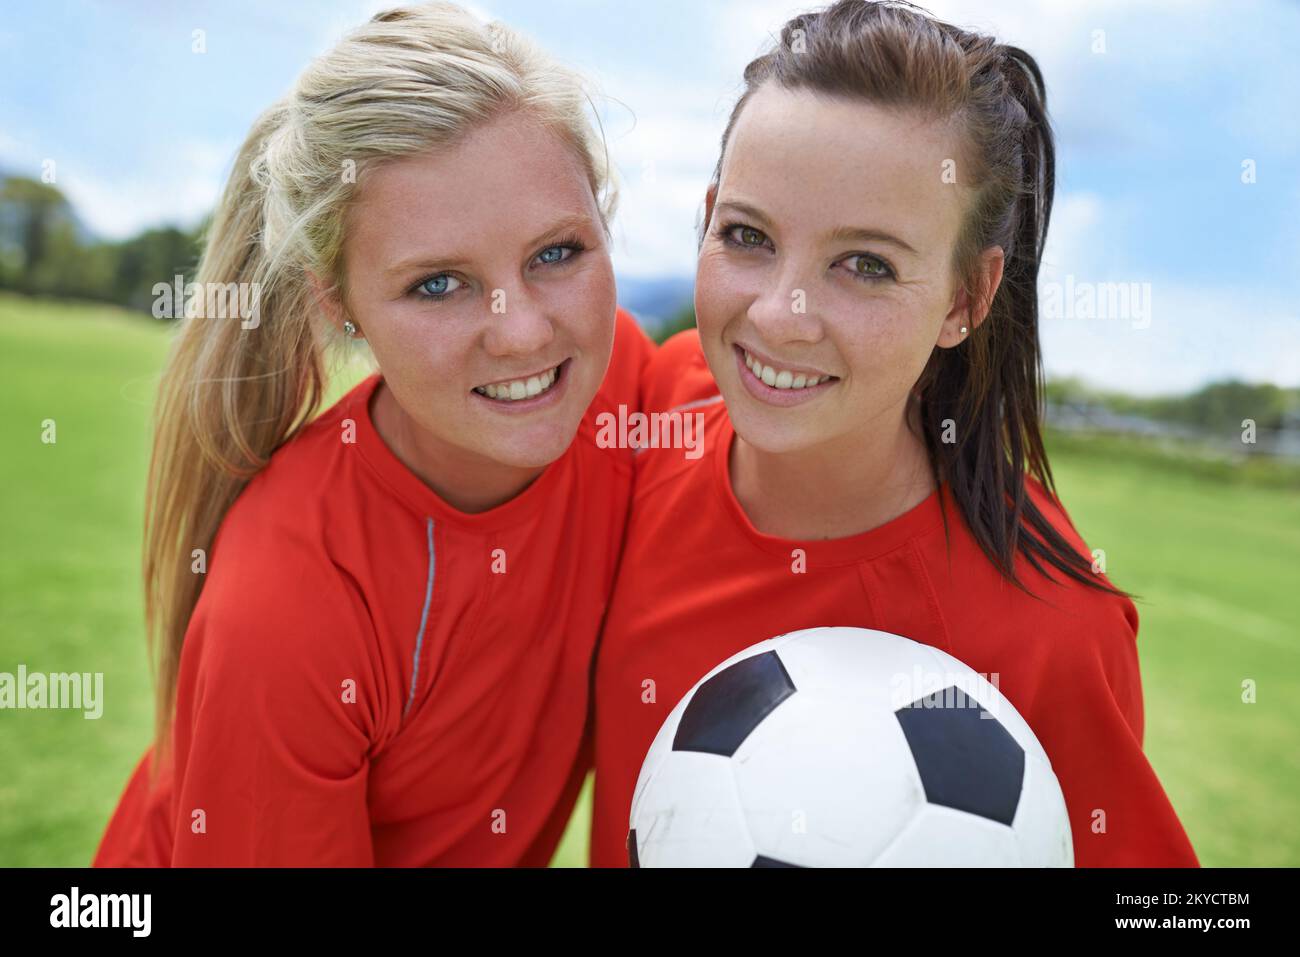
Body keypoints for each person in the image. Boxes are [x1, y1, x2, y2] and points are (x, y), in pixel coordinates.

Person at [592, 0, 1198, 867]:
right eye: (747, 236)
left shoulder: (1051, 633)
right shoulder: (665, 405)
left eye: (866, 264)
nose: (779, 316)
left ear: (966, 298)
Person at [94, 2, 653, 867]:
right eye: (438, 285)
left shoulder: (627, 394)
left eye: (557, 253)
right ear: (338, 305)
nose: (522, 333)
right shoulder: (288, 604)